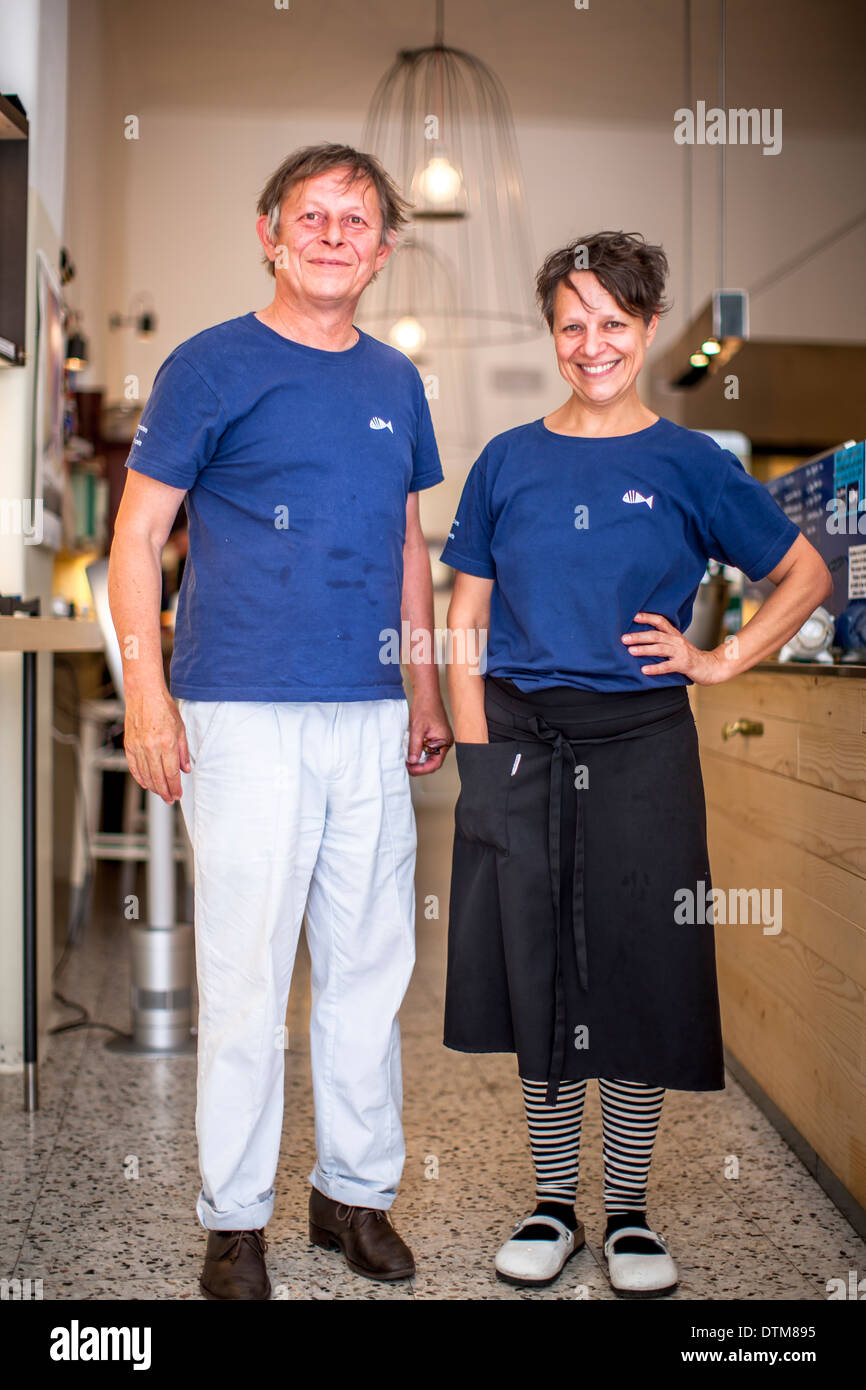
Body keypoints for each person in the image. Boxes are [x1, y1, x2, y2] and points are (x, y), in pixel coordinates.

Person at [440, 231, 832, 1297]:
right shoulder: (506, 461)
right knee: (538, 966)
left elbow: (802, 573)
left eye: (611, 322)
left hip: (641, 744)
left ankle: (625, 1214)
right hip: (517, 741)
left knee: (633, 963)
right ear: (551, 333)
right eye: (570, 323)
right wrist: (474, 759)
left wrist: (720, 658)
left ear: (647, 329)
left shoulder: (690, 464)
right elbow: (462, 617)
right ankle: (550, 1201)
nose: (590, 343)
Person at [108, 143, 452, 1300]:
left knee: (367, 969)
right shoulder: (208, 365)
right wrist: (144, 693)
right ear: (268, 229)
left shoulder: (396, 385)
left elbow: (409, 543)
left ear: (383, 249)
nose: (331, 233)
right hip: (239, 709)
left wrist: (426, 684)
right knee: (248, 977)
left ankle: (350, 1196)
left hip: (365, 714)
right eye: (310, 215)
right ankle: (234, 1216)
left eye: (356, 220)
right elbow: (134, 541)